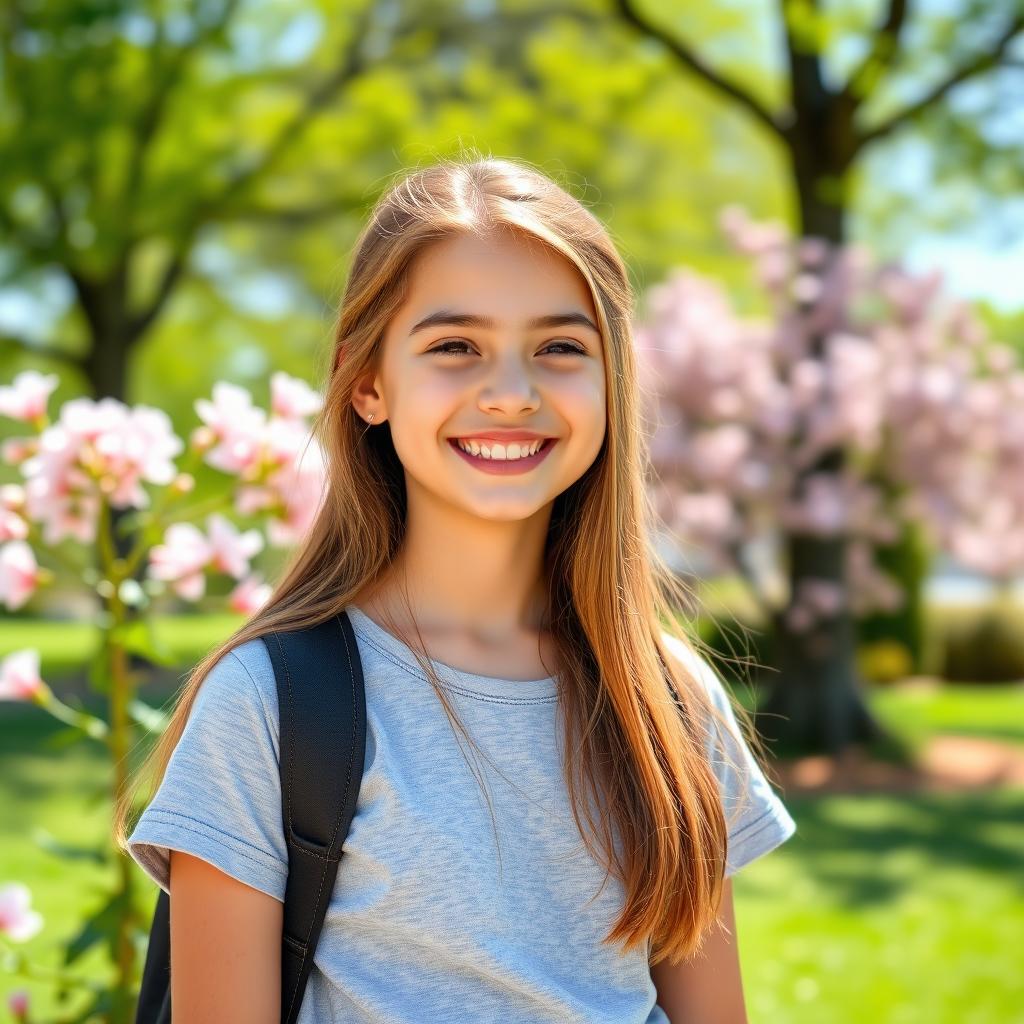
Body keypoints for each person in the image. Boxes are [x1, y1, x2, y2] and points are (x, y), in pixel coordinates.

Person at [115, 156, 797, 1024]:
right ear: (368, 384)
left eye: (559, 348)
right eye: (453, 347)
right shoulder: (268, 706)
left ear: (610, 381)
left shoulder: (668, 700)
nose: (511, 394)